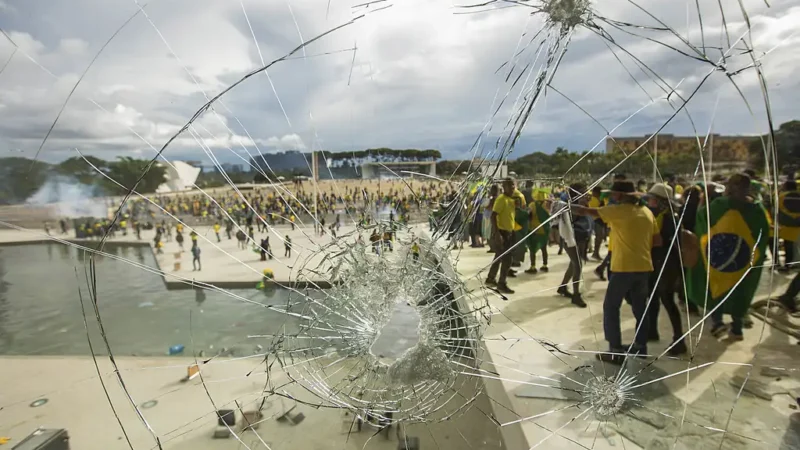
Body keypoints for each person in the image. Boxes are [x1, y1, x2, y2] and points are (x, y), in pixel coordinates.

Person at [572, 180, 661, 363]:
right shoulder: (647, 212)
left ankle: (615, 351)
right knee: (640, 309)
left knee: (611, 307)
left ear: (620, 195)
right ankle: (640, 347)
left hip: (623, 268)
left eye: (613, 194)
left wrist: (561, 206)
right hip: (644, 267)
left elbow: (585, 212)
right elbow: (657, 241)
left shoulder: (619, 211)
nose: (611, 197)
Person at [687, 173, 769, 341]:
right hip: (743, 260)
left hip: (718, 257)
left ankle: (717, 323)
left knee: (716, 287)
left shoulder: (718, 205)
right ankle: (737, 328)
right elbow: (763, 234)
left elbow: (702, 221)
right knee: (740, 290)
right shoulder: (756, 209)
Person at [644, 183, 687, 355]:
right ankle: (652, 331)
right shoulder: (665, 215)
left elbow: (664, 242)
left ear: (660, 200)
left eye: (652, 198)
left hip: (665, 264)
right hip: (660, 263)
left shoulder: (667, 218)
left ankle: (679, 339)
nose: (649, 201)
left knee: (667, 301)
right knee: (654, 298)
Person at [551, 184, 588, 308]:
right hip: (570, 238)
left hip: (581, 236)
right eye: (584, 191)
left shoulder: (583, 203)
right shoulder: (568, 205)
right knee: (578, 264)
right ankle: (576, 295)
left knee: (574, 263)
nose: (586, 193)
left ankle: (562, 287)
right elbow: (569, 220)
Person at [485, 178, 517, 294]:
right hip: (502, 232)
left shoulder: (510, 199)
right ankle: (501, 283)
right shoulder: (501, 199)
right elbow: (493, 216)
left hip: (508, 231)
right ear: (505, 187)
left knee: (499, 257)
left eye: (514, 186)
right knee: (507, 259)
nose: (513, 189)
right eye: (511, 186)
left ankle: (490, 278)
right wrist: (497, 234)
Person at [525, 190, 550, 274]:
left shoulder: (532, 205)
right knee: (544, 248)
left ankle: (533, 266)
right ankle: (545, 265)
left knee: (532, 248)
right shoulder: (547, 205)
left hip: (534, 229)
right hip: (545, 229)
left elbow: (529, 216)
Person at [589, 186, 606, 261]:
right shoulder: (592, 199)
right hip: (596, 220)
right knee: (599, 236)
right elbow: (595, 210)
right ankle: (595, 253)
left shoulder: (600, 199)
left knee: (600, 237)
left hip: (601, 220)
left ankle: (595, 253)